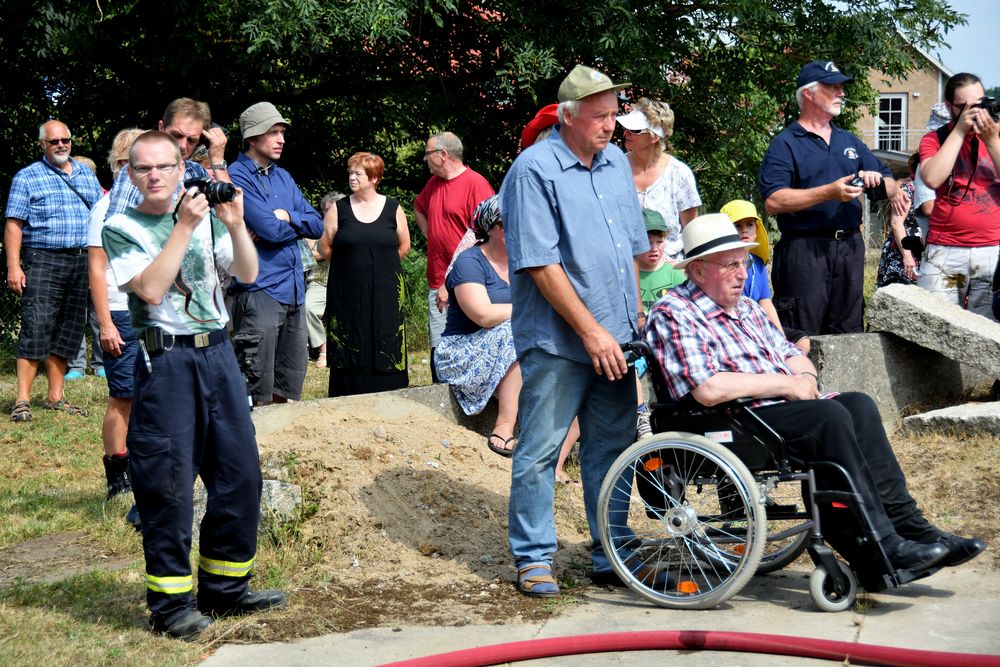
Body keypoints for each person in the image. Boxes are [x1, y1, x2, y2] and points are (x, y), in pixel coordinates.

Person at [645, 214, 986, 578]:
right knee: (829, 418)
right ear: (696, 271)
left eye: (743, 262)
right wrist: (786, 385)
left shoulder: (745, 307)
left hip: (775, 411)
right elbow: (708, 388)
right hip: (730, 421)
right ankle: (880, 545)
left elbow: (789, 351)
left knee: (857, 404)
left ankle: (911, 526)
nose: (743, 274)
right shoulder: (675, 312)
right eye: (730, 265)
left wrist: (803, 374)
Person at [102, 130, 285, 639]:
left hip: (218, 352)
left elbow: (247, 272)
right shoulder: (123, 225)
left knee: (239, 473)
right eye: (144, 169)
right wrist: (184, 226)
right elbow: (154, 287)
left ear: (184, 169)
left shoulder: (208, 220)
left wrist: (236, 223)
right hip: (165, 362)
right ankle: (171, 605)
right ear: (131, 174)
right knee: (168, 484)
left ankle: (226, 588)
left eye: (165, 166)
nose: (155, 176)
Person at [500, 64, 650, 597]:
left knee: (610, 447)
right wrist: (591, 333)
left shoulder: (615, 165)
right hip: (560, 342)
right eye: (599, 117)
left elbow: (632, 253)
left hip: (616, 337)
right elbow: (541, 265)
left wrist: (630, 325)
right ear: (567, 117)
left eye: (615, 115)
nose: (610, 126)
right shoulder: (533, 170)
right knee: (541, 449)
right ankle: (534, 557)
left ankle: (611, 548)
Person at [758, 60, 897, 335]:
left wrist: (877, 182)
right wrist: (829, 192)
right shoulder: (785, 144)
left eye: (841, 87)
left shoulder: (850, 141)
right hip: (804, 250)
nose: (841, 93)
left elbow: (893, 186)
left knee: (849, 331)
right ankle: (803, 380)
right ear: (808, 93)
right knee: (801, 332)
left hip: (850, 249)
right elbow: (774, 201)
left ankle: (846, 381)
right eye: (832, 86)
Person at [6, 120, 102, 422]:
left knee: (71, 329)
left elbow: (100, 219)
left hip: (82, 260)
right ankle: (22, 400)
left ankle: (55, 397)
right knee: (36, 326)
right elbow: (14, 224)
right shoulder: (27, 177)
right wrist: (13, 265)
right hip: (44, 258)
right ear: (42, 145)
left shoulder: (86, 175)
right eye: (54, 141)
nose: (61, 145)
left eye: (66, 140)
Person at [229, 102, 324, 406]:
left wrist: (289, 217)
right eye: (273, 132)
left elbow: (317, 224)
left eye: (282, 132)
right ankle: (254, 448)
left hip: (295, 289)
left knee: (288, 382)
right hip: (260, 290)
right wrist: (288, 221)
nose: (281, 139)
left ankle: (280, 448)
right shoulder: (236, 175)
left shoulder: (282, 176)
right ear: (252, 138)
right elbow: (269, 229)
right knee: (257, 384)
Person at [88, 128, 145, 520]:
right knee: (123, 394)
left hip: (150, 312)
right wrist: (106, 323)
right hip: (119, 312)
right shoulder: (104, 209)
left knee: (149, 394)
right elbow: (96, 269)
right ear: (123, 164)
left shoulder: (152, 208)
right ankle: (117, 473)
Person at [434, 196, 519, 457]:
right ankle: (504, 427)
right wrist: (528, 312)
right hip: (461, 350)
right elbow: (483, 315)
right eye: (509, 223)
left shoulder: (523, 262)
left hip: (505, 345)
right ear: (491, 227)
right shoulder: (469, 262)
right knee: (514, 331)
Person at [320, 152, 410, 396]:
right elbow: (324, 246)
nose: (352, 177)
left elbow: (404, 245)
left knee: (386, 332)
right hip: (347, 289)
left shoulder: (393, 208)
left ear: (374, 178)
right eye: (350, 172)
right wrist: (349, 265)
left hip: (386, 288)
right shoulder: (339, 209)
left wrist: (381, 266)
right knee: (349, 335)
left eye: (358, 173)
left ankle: (391, 390)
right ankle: (348, 391)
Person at [917, 72, 1000, 320]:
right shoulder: (936, 138)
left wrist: (992, 139)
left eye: (981, 102)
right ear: (949, 107)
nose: (976, 112)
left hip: (992, 251)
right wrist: (961, 131)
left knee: (989, 333)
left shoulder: (997, 133)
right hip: (945, 251)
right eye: (966, 106)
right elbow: (932, 178)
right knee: (935, 325)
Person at [414, 132, 495, 381]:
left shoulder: (476, 184)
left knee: (468, 344)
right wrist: (432, 234)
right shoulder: (434, 184)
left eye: (428, 154)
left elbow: (487, 235)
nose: (425, 159)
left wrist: (453, 281)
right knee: (440, 347)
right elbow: (419, 207)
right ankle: (440, 405)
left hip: (468, 281)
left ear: (443, 155)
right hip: (437, 278)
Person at [105, 98, 230, 219]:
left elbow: (232, 214)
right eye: (176, 135)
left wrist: (218, 160)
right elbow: (114, 230)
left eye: (191, 140)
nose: (182, 145)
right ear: (161, 127)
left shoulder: (195, 171)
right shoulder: (140, 170)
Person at [617, 97, 702, 265]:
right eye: (626, 127)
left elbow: (691, 231)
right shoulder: (615, 169)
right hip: (625, 267)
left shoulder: (679, 174)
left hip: (669, 272)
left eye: (635, 130)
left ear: (654, 137)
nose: (626, 133)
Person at [720, 199, 810, 353]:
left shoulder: (757, 264)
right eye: (737, 226)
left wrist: (780, 336)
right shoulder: (722, 264)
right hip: (734, 326)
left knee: (802, 342)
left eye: (749, 225)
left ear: (757, 230)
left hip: (758, 322)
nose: (744, 231)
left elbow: (765, 302)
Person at [306, 192, 344, 368]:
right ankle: (323, 351)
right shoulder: (315, 228)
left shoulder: (348, 226)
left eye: (331, 209)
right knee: (308, 309)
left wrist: (321, 251)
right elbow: (309, 254)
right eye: (325, 209)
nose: (326, 213)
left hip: (345, 281)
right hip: (319, 281)